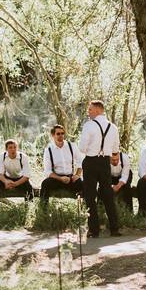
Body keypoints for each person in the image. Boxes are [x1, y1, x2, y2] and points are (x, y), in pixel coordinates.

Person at [79, 100, 122, 238]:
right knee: (108, 195)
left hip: (91, 162)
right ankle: (114, 229)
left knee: (90, 196)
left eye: (90, 109)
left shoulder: (89, 125)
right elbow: (115, 149)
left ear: (98, 110)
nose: (88, 112)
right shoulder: (113, 127)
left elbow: (81, 148)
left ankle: (94, 230)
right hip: (105, 163)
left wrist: (92, 148)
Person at [40, 124, 83, 205]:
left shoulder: (72, 146)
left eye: (62, 133)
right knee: (45, 184)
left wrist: (77, 174)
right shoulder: (48, 150)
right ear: (53, 135)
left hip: (71, 178)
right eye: (58, 134)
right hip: (56, 179)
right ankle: (43, 210)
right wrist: (60, 178)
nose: (61, 135)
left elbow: (80, 161)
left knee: (84, 184)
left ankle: (86, 210)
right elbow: (47, 171)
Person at [0, 139, 34, 213]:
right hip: (6, 178)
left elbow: (26, 176)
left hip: (20, 178)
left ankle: (29, 210)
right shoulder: (3, 156)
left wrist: (15, 184)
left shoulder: (23, 157)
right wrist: (6, 182)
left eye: (15, 147)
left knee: (29, 187)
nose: (13, 149)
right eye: (10, 147)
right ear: (6, 149)